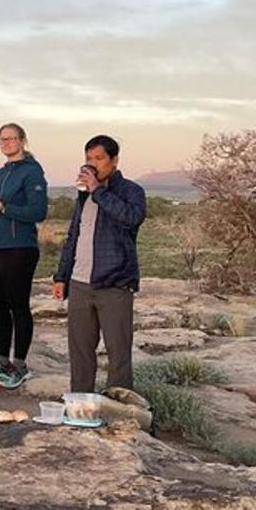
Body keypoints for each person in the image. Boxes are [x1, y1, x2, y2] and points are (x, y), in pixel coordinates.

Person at [53, 135, 147, 393]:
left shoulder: (131, 191)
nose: (92, 164)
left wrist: (98, 190)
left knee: (118, 354)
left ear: (114, 160)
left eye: (98, 158)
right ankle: (80, 405)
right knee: (81, 352)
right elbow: (74, 235)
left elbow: (131, 218)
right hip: (80, 284)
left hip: (115, 284)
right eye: (88, 159)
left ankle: (118, 410)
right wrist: (61, 276)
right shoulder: (83, 197)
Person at [0, 123, 48, 388]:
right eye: (2, 139)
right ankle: (1, 360)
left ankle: (19, 363)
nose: (6, 143)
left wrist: (2, 207)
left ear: (22, 141)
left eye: (11, 138)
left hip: (19, 247)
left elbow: (38, 212)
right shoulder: (1, 172)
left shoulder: (32, 173)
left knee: (18, 304)